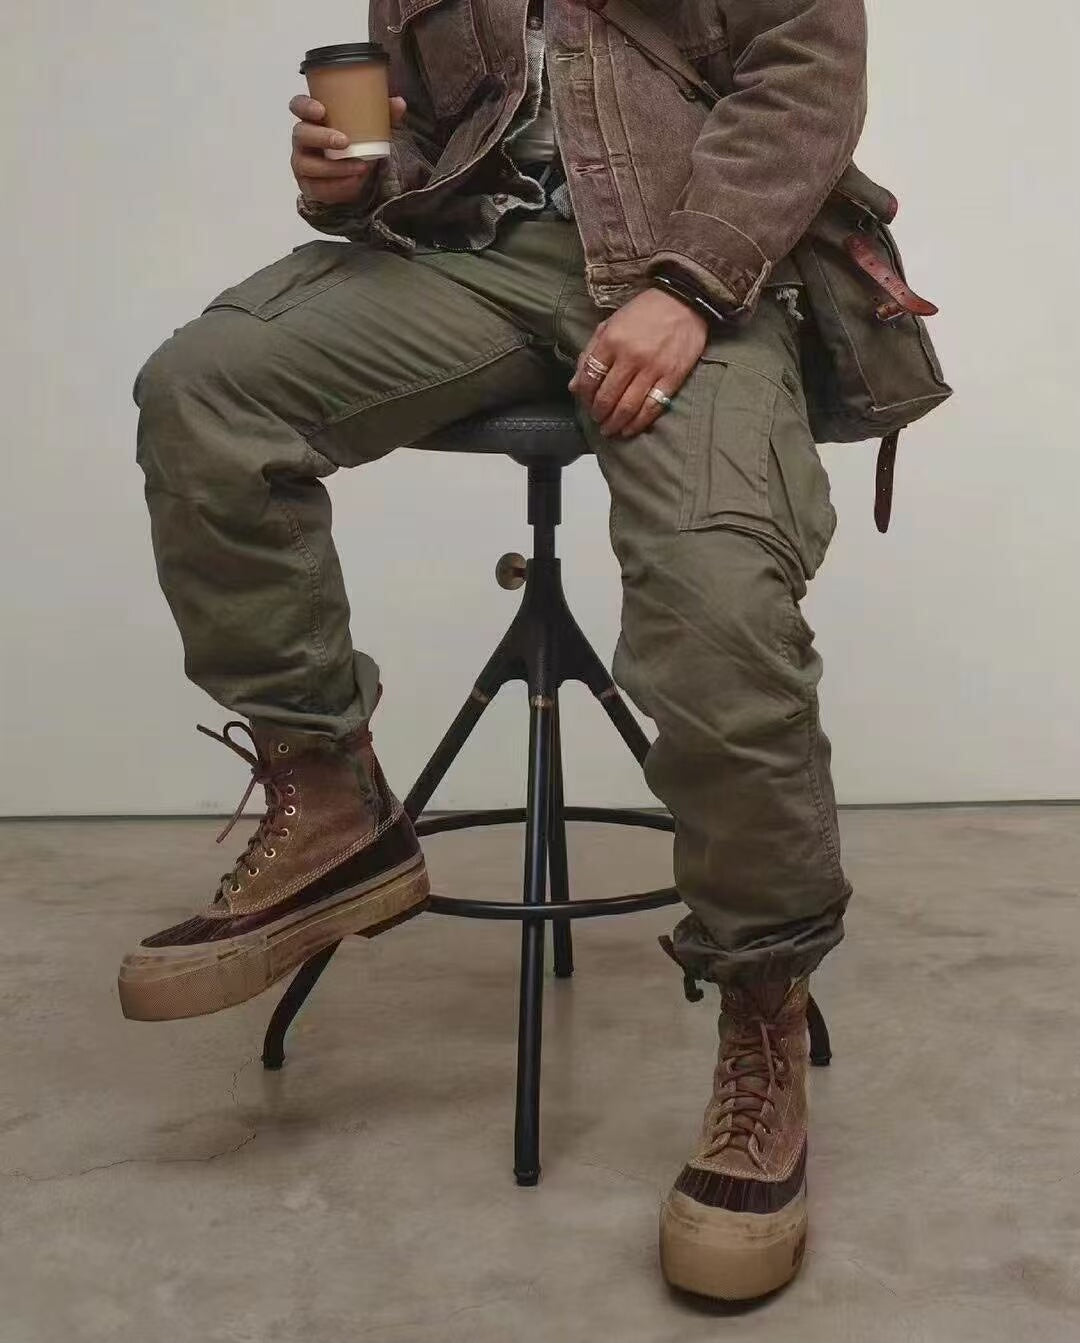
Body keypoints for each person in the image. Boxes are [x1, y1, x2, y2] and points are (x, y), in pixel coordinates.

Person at [119, 0, 867, 1302]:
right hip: (473, 264)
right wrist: (349, 182)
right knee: (207, 391)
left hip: (702, 270)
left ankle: (763, 1016)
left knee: (716, 605)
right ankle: (333, 808)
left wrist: (689, 286)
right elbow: (434, 139)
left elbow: (805, 76)